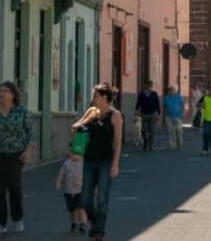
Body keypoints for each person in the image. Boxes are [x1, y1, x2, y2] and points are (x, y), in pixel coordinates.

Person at [0, 81, 33, 234]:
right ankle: (0, 222)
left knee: (14, 187)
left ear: (13, 95)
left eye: (5, 91)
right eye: (0, 90)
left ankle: (17, 218)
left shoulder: (21, 112)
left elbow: (29, 133)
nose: (1, 94)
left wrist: (28, 150)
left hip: (15, 154)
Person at [73, 83, 123, 241]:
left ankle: (99, 232)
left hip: (105, 161)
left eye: (95, 95)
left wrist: (115, 164)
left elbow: (117, 142)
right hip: (89, 160)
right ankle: (95, 223)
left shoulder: (115, 115)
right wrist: (82, 124)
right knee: (85, 199)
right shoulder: (91, 112)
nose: (93, 98)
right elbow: (75, 128)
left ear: (104, 97)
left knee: (102, 198)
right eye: (93, 95)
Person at [55, 150, 86, 234]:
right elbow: (62, 174)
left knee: (81, 207)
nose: (74, 155)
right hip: (69, 191)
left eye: (76, 153)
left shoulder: (84, 163)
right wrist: (58, 182)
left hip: (81, 190)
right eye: (72, 153)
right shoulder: (67, 163)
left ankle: (82, 223)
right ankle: (74, 222)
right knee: (72, 209)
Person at [135, 81, 160, 151]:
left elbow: (157, 103)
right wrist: (136, 110)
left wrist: (159, 113)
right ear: (145, 86)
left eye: (150, 86)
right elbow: (138, 103)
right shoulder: (141, 94)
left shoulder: (154, 94)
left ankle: (151, 146)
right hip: (144, 113)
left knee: (152, 130)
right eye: (148, 86)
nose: (149, 87)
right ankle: (145, 141)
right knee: (143, 129)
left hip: (153, 114)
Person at [163, 86, 185, 150]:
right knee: (171, 131)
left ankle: (179, 144)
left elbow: (182, 105)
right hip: (168, 117)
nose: (171, 92)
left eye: (172, 90)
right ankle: (172, 145)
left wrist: (182, 113)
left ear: (175, 91)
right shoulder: (166, 98)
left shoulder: (179, 97)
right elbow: (164, 106)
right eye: (169, 90)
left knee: (179, 131)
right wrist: (163, 116)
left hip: (178, 116)